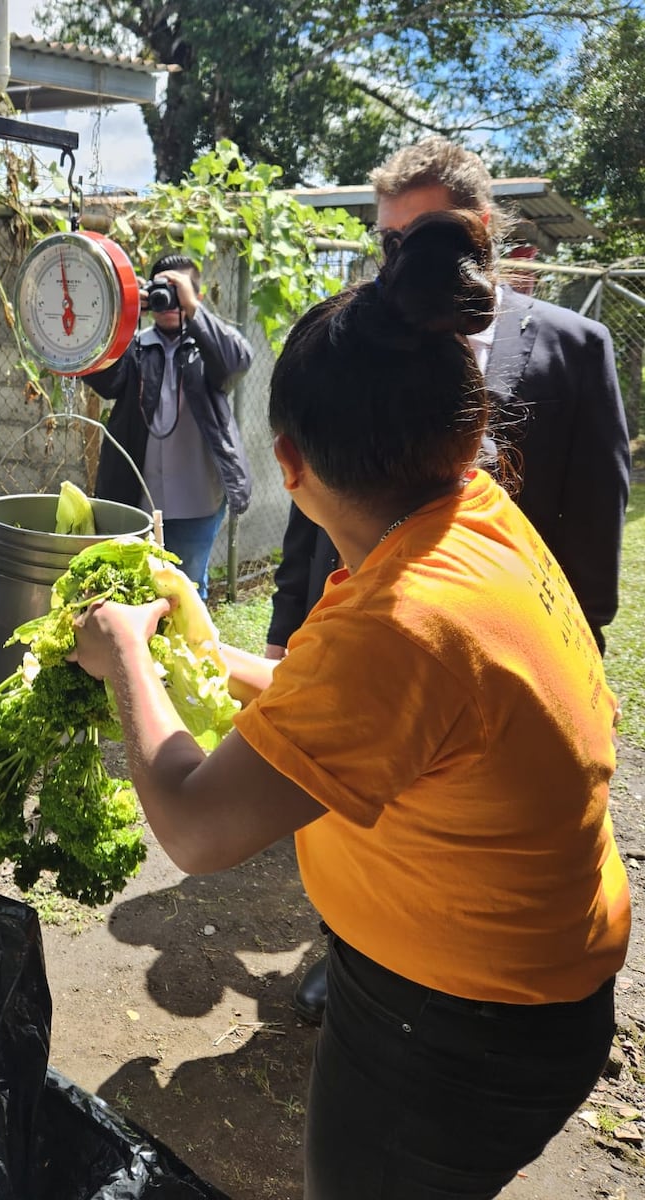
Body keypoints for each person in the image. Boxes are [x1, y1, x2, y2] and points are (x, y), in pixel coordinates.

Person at [71, 210, 630, 1200]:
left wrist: (124, 660)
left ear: (289, 466)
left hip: (461, 1027)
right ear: (467, 429)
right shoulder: (475, 518)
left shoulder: (397, 624)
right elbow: (360, 715)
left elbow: (197, 827)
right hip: (531, 989)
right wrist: (204, 653)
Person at [268, 136, 631, 1025]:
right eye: (389, 242)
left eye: (422, 237)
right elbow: (313, 492)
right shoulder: (353, 338)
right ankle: (352, 944)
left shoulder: (574, 348)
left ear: (480, 230)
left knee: (452, 816)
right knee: (359, 813)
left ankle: (426, 968)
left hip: (480, 643)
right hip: (362, 621)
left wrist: (562, 648)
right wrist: (283, 629)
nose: (402, 261)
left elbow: (592, 522)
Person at [87, 253, 254, 599]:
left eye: (178, 291)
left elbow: (237, 363)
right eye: (161, 291)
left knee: (187, 591)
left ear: (197, 296)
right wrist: (124, 314)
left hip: (197, 500)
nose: (169, 301)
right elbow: (106, 381)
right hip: (137, 499)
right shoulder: (136, 346)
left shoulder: (208, 348)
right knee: (135, 589)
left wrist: (193, 310)